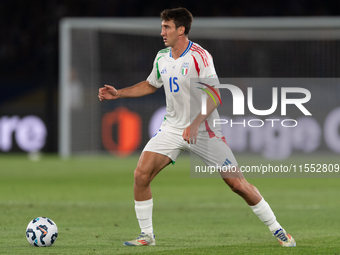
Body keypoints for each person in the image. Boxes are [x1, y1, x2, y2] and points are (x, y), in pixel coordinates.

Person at [98, 7, 296, 247]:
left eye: (167, 27)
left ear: (181, 29)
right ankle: (146, 235)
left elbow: (214, 96)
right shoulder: (162, 57)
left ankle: (278, 230)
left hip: (205, 131)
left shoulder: (200, 56)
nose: (162, 31)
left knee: (237, 184)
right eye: (162, 26)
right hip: (172, 128)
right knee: (141, 174)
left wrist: (194, 124)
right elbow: (151, 85)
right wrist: (119, 94)